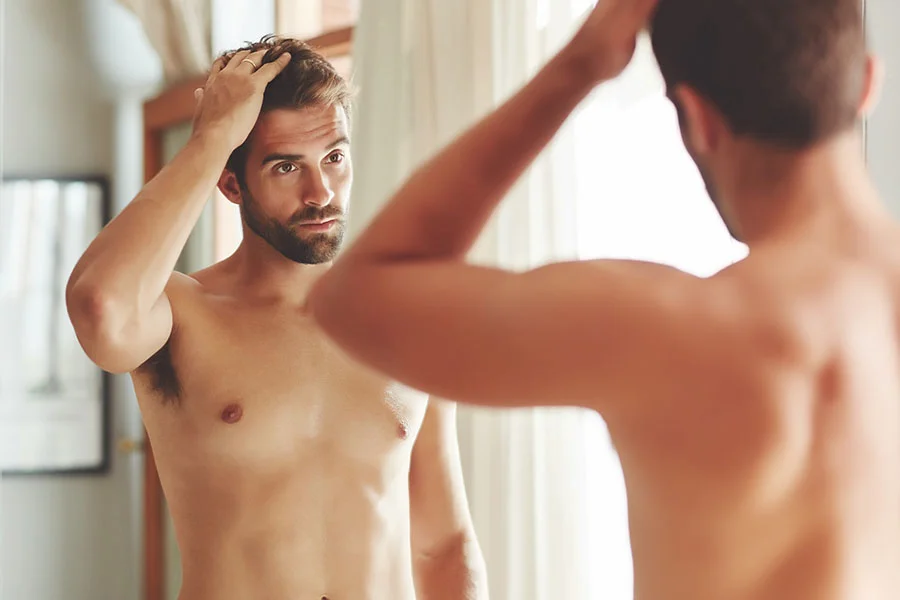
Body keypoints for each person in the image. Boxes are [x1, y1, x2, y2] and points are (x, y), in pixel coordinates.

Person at [307, 0, 900, 598]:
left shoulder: (663, 328)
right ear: (867, 85)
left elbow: (351, 299)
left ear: (699, 120)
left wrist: (578, 68)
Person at [66, 37, 487, 600]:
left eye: (334, 157)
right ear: (230, 182)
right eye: (287, 166)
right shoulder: (182, 315)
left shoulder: (406, 320)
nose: (320, 193)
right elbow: (101, 308)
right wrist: (211, 139)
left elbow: (445, 545)